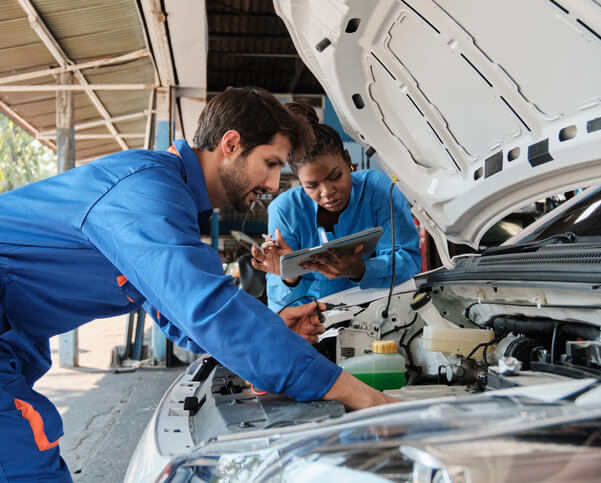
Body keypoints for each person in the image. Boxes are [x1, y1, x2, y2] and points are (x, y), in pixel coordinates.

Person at [0, 87, 395, 482]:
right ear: (231, 143)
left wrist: (275, 331)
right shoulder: (145, 192)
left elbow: (179, 314)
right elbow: (206, 308)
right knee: (27, 468)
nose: (274, 184)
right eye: (270, 163)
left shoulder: (169, 200)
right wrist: (353, 392)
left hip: (12, 337)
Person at [250, 102, 421, 312]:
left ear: (348, 161)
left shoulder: (377, 189)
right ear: (300, 181)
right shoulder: (284, 210)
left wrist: (361, 270)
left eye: (335, 176)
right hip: (315, 322)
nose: (327, 192)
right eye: (311, 186)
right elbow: (282, 308)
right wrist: (290, 277)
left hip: (376, 311)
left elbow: (409, 259)